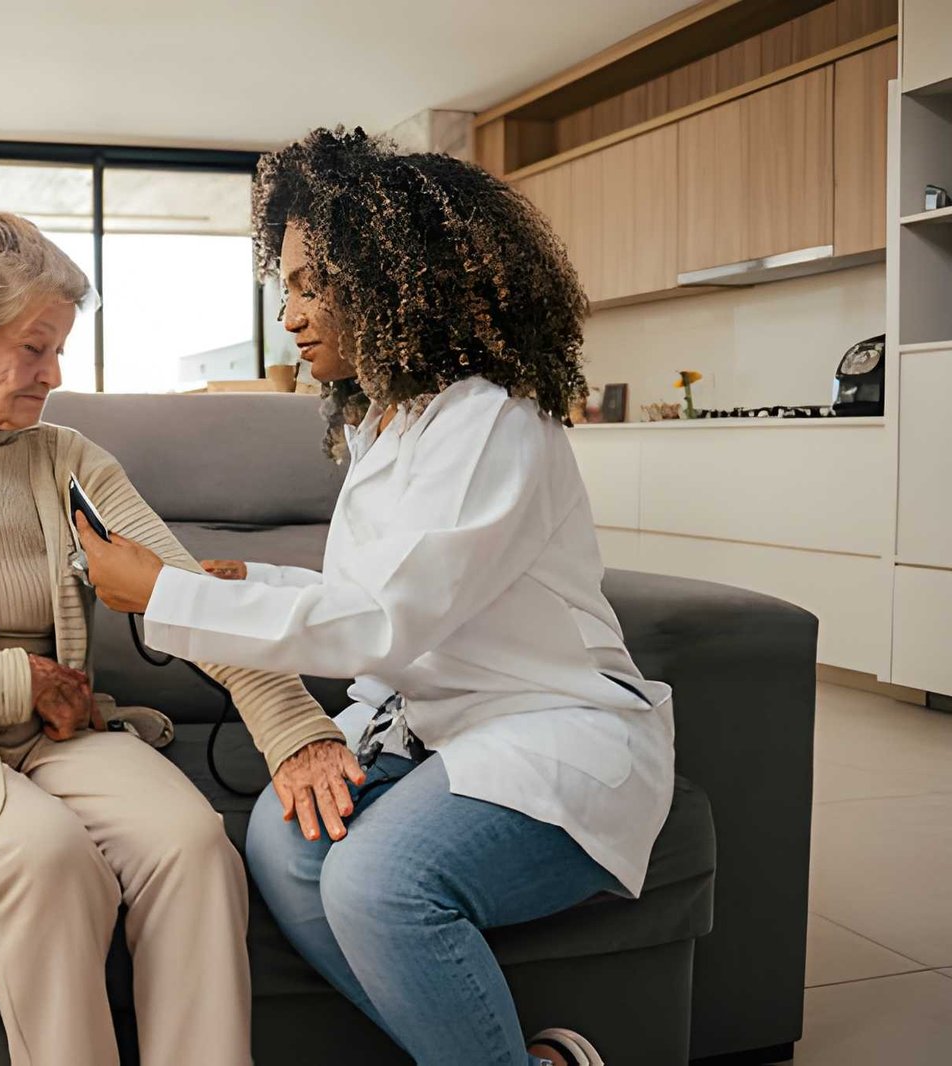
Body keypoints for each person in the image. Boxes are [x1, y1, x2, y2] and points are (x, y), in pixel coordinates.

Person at [75, 129, 676, 1066]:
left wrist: (163, 594)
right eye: (289, 285)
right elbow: (374, 591)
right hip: (441, 728)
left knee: (375, 885)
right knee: (283, 841)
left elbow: (389, 620)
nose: (292, 315)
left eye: (314, 284)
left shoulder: (491, 425)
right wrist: (245, 581)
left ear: (401, 281)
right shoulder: (385, 422)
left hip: (551, 733)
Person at [0, 212, 359, 1066]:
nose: (54, 375)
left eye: (59, 348)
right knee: (49, 858)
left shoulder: (68, 460)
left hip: (58, 731)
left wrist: (297, 729)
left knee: (194, 844)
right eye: (34, 348)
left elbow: (187, 597)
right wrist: (20, 682)